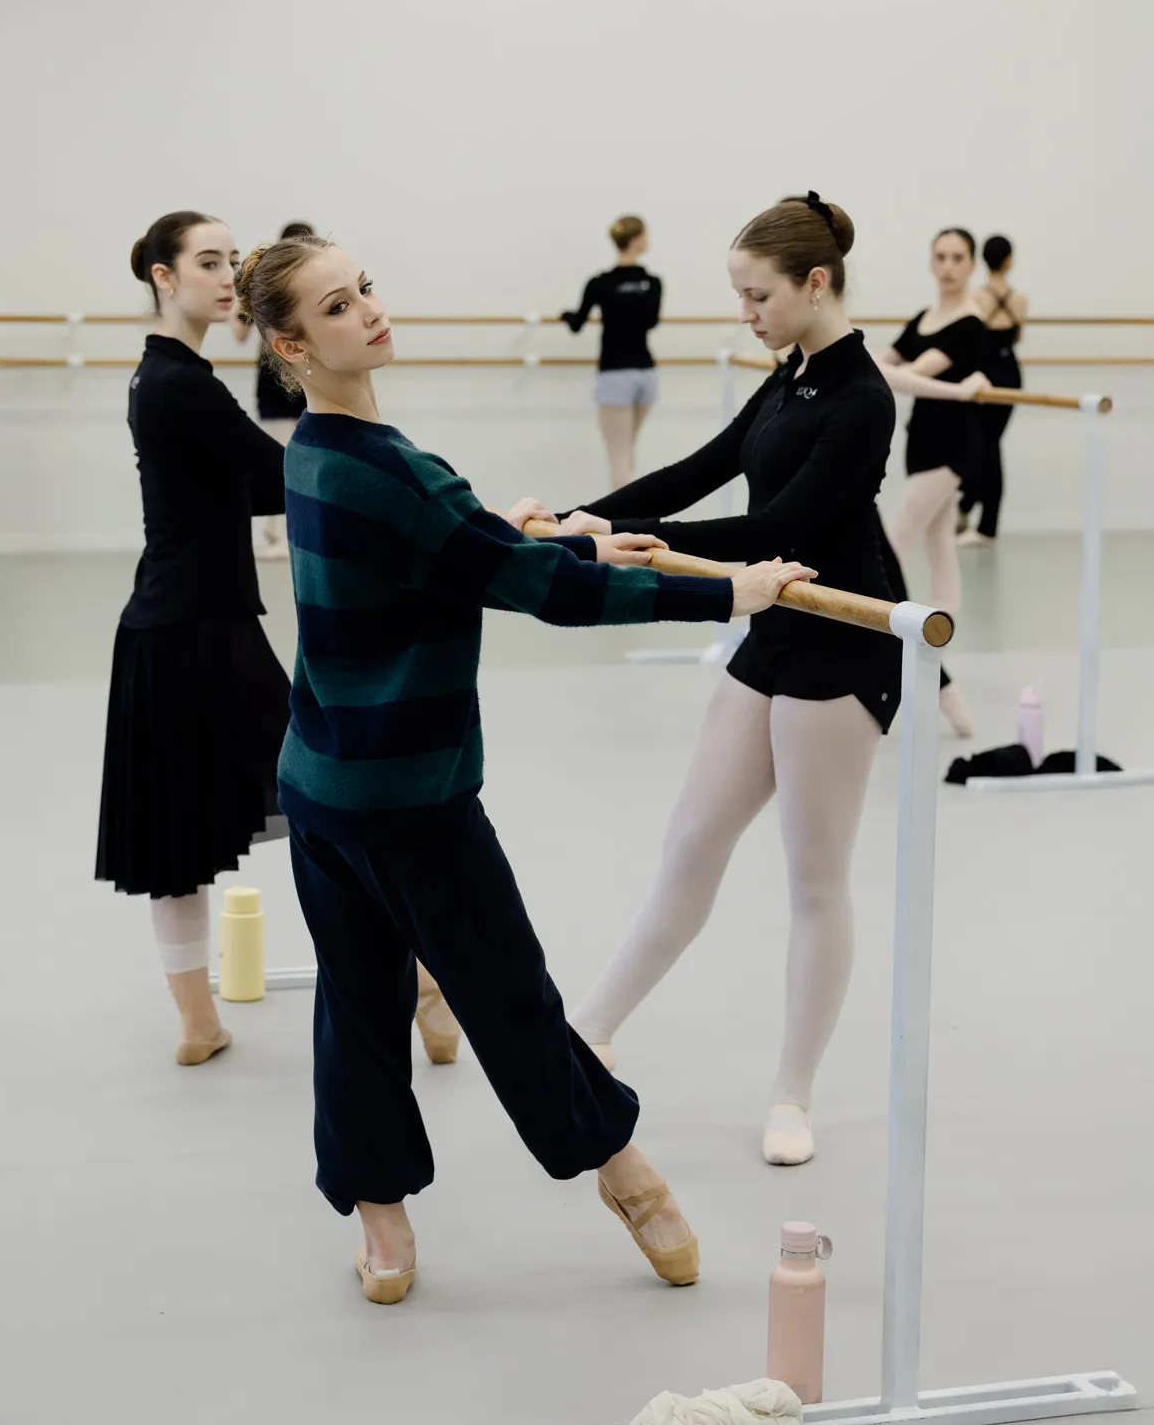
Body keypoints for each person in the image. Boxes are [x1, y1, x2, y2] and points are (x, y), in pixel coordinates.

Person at [233, 227, 809, 1303]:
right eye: (337, 306)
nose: (369, 310)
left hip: (321, 791)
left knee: (357, 1009)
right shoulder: (388, 466)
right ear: (291, 346)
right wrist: (726, 592)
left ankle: (385, 1226)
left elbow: (454, 556)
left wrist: (544, 534)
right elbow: (534, 589)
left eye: (366, 289)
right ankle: (626, 1176)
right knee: (506, 1001)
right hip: (409, 802)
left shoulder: (316, 451)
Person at [561, 192, 903, 1168]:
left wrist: (638, 547)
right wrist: (588, 516)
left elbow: (775, 528)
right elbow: (704, 467)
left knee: (813, 879)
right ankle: (592, 1027)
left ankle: (793, 1094)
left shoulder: (861, 398)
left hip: (843, 643)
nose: (747, 314)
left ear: (816, 283)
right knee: (691, 841)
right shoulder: (789, 377)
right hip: (774, 627)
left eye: (758, 296)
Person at [95, 211, 291, 1066]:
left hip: (169, 629)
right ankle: (423, 982)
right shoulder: (184, 383)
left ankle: (199, 1025)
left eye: (231, 263)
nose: (227, 279)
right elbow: (280, 476)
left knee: (177, 844)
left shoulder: (161, 377)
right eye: (207, 263)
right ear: (163, 277)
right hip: (202, 633)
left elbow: (236, 492)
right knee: (331, 798)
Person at [876, 228, 989, 737]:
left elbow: (906, 372)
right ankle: (937, 641)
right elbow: (888, 360)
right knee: (937, 537)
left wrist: (961, 394)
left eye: (957, 258)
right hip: (923, 437)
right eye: (940, 257)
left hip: (954, 443)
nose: (947, 266)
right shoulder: (925, 318)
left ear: (971, 266)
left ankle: (918, 643)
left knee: (894, 540)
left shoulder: (970, 323)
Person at [232, 220, 316, 558]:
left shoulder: (269, 283)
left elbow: (239, 333)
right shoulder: (275, 284)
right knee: (290, 456)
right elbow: (240, 331)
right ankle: (281, 534)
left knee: (287, 456)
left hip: (291, 374)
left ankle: (284, 534)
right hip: (291, 374)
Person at [562, 215, 662, 490]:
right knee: (627, 454)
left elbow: (577, 324)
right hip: (646, 373)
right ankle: (629, 521)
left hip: (615, 374)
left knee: (619, 459)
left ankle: (623, 524)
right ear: (637, 240)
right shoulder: (652, 283)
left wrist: (565, 315)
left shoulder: (600, 283)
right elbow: (651, 321)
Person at [957, 234, 1029, 545]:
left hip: (984, 373)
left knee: (986, 446)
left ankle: (982, 522)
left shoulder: (976, 297)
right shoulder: (1020, 299)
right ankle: (967, 508)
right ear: (1009, 260)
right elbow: (1017, 338)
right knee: (986, 445)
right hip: (1010, 372)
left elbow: (971, 339)